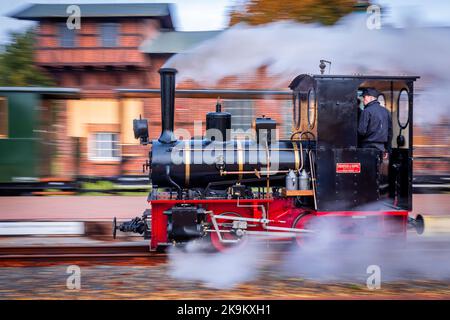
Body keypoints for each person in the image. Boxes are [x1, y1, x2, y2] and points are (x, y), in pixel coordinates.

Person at [358, 88, 392, 159]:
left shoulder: (366, 111)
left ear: (371, 97)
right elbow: (389, 132)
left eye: (364, 97)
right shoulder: (386, 111)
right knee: (377, 169)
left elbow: (361, 131)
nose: (363, 99)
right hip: (381, 148)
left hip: (367, 147)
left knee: (366, 169)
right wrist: (387, 149)